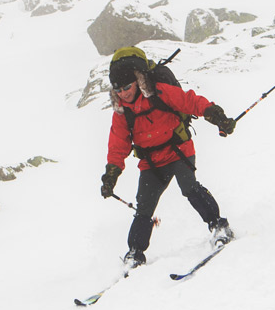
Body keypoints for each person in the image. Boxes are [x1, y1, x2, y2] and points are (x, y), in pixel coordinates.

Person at [100, 46, 236, 268]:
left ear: (136, 81)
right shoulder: (122, 112)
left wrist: (216, 115)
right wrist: (111, 175)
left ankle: (219, 226)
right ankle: (135, 254)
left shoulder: (159, 92)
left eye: (127, 87)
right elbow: (117, 144)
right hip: (152, 161)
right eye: (118, 89)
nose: (123, 93)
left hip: (178, 149)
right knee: (144, 206)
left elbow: (190, 101)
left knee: (189, 187)